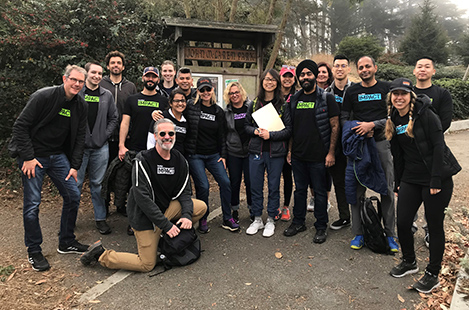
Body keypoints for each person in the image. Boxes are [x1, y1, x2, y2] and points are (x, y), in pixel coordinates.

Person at [80, 119, 207, 272]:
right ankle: (101, 255)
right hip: (144, 217)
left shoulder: (180, 160)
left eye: (171, 133)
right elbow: (142, 198)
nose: (167, 137)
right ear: (155, 136)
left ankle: (163, 237)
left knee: (200, 207)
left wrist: (186, 215)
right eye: (163, 134)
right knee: (146, 264)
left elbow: (185, 193)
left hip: (165, 208)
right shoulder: (143, 159)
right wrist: (166, 225)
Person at [10, 65, 89, 271]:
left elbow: (80, 137)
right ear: (65, 78)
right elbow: (20, 127)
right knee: (32, 204)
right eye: (74, 80)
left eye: (81, 82)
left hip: (59, 157)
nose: (77, 84)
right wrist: (27, 157)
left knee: (73, 196)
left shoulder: (80, 105)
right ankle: (34, 250)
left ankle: (66, 241)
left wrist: (74, 166)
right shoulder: (43, 96)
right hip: (34, 157)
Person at [385, 78, 460, 293]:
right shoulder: (393, 117)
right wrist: (398, 181)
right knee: (404, 221)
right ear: (391, 96)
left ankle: (432, 274)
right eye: (395, 93)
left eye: (403, 93)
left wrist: (436, 179)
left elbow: (438, 147)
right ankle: (409, 261)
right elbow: (397, 154)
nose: (399, 97)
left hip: (436, 178)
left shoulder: (426, 115)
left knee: (434, 225)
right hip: (410, 177)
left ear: (411, 96)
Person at [341, 56, 399, 252]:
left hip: (381, 144)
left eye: (367, 66)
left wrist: (373, 125)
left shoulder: (386, 89)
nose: (364, 69)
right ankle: (359, 233)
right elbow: (343, 118)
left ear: (375, 67)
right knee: (356, 191)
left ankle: (390, 235)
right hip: (359, 147)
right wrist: (356, 129)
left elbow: (395, 115)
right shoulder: (352, 91)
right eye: (360, 67)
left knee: (387, 190)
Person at [283, 59, 339, 244]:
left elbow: (334, 125)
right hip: (299, 155)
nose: (305, 77)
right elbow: (292, 127)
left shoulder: (326, 97)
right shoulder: (295, 99)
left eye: (308, 74)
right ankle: (298, 222)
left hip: (319, 156)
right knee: (299, 191)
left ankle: (321, 226)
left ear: (315, 75)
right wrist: (290, 151)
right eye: (302, 74)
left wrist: (331, 153)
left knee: (320, 193)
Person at [185, 78, 238, 233]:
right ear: (198, 91)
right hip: (195, 155)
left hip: (214, 154)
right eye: (202, 90)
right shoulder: (191, 107)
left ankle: (227, 218)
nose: (205, 93)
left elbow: (222, 136)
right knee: (203, 186)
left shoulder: (218, 111)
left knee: (225, 183)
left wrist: (223, 155)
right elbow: (174, 110)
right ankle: (202, 217)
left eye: (208, 89)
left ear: (213, 90)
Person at [245, 69, 292, 237]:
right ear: (262, 82)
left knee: (273, 187)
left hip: (276, 153)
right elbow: (246, 126)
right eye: (266, 79)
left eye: (273, 79)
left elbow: (288, 130)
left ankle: (271, 218)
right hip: (256, 151)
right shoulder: (254, 103)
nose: (269, 82)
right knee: (255, 186)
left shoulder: (283, 104)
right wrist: (256, 131)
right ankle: (257, 219)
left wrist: (271, 135)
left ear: (277, 82)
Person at [412, 56, 454, 245]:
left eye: (427, 66)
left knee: (434, 193)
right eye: (419, 66)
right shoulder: (407, 92)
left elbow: (445, 122)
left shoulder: (441, 93)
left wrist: (425, 135)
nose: (422, 69)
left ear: (433, 71)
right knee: (409, 190)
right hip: (410, 151)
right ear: (414, 71)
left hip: (434, 151)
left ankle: (431, 229)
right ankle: (409, 225)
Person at [77, 62, 118, 235]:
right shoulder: (78, 93)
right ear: (86, 74)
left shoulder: (106, 95)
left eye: (100, 73)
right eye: (93, 72)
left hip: (100, 148)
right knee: (75, 184)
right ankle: (69, 219)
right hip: (78, 149)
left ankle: (100, 219)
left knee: (98, 185)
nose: (97, 76)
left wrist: (104, 135)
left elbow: (114, 118)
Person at [325, 55, 354, 230]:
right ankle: (345, 216)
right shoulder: (327, 93)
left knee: (357, 182)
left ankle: (361, 217)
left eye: (343, 65)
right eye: (337, 66)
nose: (340, 69)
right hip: (334, 144)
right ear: (333, 69)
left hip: (353, 143)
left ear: (348, 69)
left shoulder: (356, 90)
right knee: (339, 182)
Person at [100, 51, 137, 163]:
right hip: (103, 136)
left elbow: (134, 111)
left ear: (123, 67)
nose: (116, 65)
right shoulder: (100, 84)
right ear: (107, 66)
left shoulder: (130, 87)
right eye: (113, 63)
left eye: (119, 63)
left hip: (125, 137)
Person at [224, 81, 253, 223]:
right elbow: (224, 135)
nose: (234, 95)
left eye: (236, 92)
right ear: (228, 96)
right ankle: (234, 209)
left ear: (241, 93)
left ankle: (252, 209)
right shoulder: (226, 112)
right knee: (234, 182)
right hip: (233, 152)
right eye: (231, 93)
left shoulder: (250, 108)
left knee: (250, 182)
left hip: (249, 151)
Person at [279, 65, 297, 221]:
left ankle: (286, 206)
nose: (287, 79)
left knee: (287, 176)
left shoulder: (297, 96)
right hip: (274, 142)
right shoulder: (274, 96)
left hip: (291, 142)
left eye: (290, 76)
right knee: (273, 176)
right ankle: (274, 206)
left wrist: (290, 149)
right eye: (285, 76)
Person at [147, 88, 188, 155]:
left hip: (178, 159)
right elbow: (151, 140)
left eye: (183, 101)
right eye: (177, 101)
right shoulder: (161, 117)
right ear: (170, 103)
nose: (180, 103)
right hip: (160, 157)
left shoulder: (186, 121)